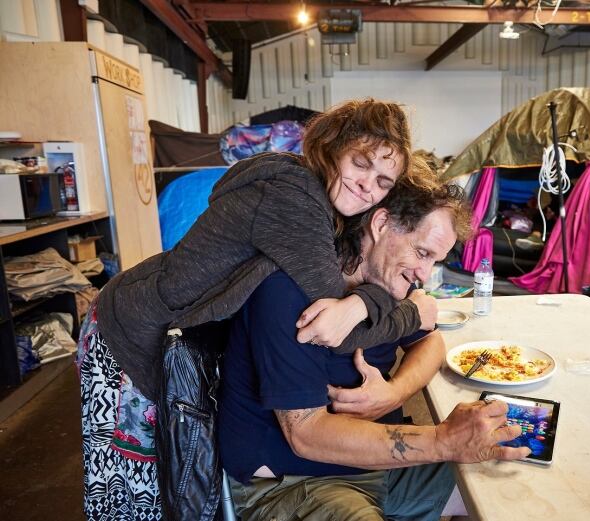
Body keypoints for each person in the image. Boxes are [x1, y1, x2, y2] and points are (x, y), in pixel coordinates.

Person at [77, 99, 439, 520]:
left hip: (167, 325)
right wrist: (411, 313)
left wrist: (365, 302)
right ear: (331, 146)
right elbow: (335, 329)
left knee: (159, 487)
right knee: (130, 493)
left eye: (383, 181)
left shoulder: (319, 204)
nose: (368, 186)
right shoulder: (296, 204)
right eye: (360, 164)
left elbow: (341, 304)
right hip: (130, 332)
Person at [218, 177, 531, 521]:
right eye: (422, 253)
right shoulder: (287, 288)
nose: (425, 275)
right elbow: (306, 434)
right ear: (381, 224)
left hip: (378, 463)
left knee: (508, 487)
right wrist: (441, 440)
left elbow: (431, 341)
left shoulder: (385, 285)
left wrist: (394, 393)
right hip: (297, 481)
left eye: (435, 261)